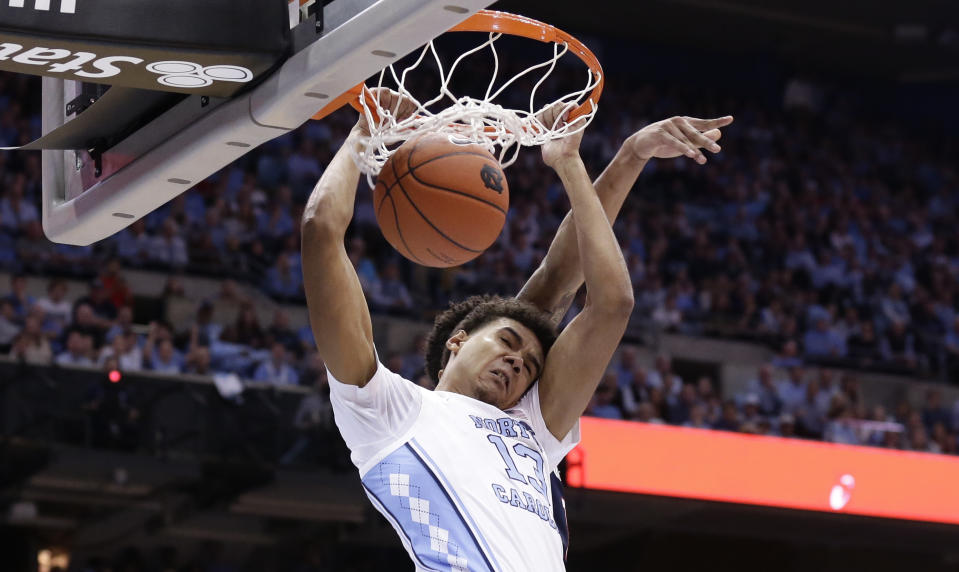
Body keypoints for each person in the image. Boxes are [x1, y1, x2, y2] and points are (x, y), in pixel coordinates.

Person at [301, 90, 730, 570]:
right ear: (456, 341)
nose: (517, 362)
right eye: (507, 343)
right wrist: (364, 135)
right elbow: (321, 229)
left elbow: (584, 291)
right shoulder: (391, 411)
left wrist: (607, 158)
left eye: (530, 367)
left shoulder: (531, 425)